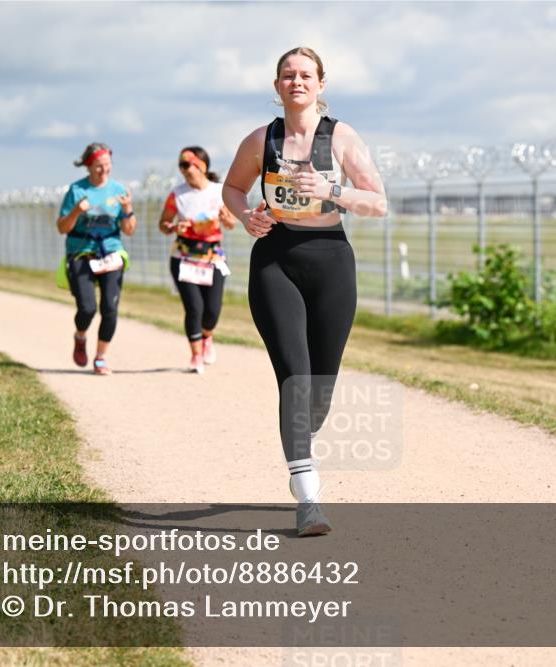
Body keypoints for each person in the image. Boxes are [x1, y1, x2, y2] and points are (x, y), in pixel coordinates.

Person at [222, 47, 387, 536]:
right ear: (277, 87)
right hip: (275, 259)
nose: (297, 82)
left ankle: (302, 435)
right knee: (294, 376)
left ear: (320, 84)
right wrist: (245, 214)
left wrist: (331, 192)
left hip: (331, 259)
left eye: (306, 75)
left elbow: (378, 202)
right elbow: (231, 189)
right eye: (288, 75)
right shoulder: (260, 139)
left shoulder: (342, 137)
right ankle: (308, 496)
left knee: (320, 388)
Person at [56, 142, 136, 375]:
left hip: (111, 253)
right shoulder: (77, 191)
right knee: (88, 308)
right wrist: (76, 212)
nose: (104, 170)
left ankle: (101, 357)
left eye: (107, 165)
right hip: (81, 253)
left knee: (110, 307)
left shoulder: (119, 190)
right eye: (99, 166)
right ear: (89, 167)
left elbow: (129, 229)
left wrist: (128, 208)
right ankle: (80, 336)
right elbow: (62, 228)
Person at [158, 146, 237, 374]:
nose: (184, 169)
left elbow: (231, 223)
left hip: (212, 257)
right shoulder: (177, 194)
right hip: (183, 257)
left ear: (201, 166)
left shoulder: (220, 191)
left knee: (212, 309)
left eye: (187, 164)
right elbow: (163, 224)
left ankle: (207, 336)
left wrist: (227, 218)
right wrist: (173, 226)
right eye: (181, 165)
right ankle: (196, 355)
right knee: (194, 307)